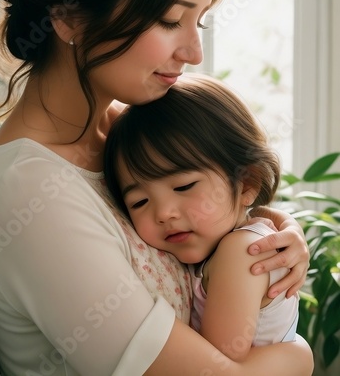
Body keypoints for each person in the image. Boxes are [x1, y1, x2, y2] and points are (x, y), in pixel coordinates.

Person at [0, 0, 312, 374]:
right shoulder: (28, 191)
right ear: (69, 16)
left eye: (201, 22)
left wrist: (274, 232)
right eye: (171, 20)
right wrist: (299, 355)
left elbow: (225, 200)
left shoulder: (127, 134)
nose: (193, 53)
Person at [103, 74, 300, 361]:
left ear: (246, 183)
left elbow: (218, 363)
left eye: (184, 186)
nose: (164, 213)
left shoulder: (241, 252)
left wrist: (301, 357)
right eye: (139, 201)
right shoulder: (230, 245)